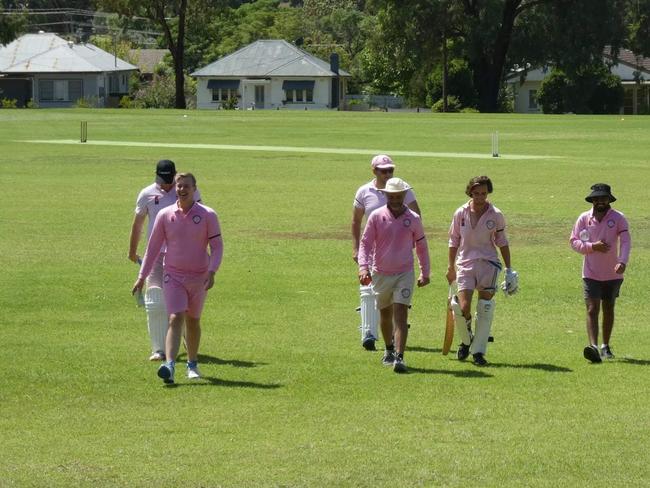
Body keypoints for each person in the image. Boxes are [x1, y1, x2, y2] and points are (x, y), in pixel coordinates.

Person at [132, 173, 223, 384]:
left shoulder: (208, 215)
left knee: (193, 320)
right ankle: (170, 365)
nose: (182, 190)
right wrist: (141, 276)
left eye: (186, 187)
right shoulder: (165, 214)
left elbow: (217, 247)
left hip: (199, 277)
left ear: (194, 189)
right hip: (172, 275)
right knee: (175, 317)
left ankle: (192, 364)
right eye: (179, 186)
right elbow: (153, 248)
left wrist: (212, 271)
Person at [128, 159, 201, 361]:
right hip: (156, 253)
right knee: (154, 300)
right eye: (164, 181)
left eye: (171, 181)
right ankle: (158, 349)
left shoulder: (186, 190)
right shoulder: (147, 194)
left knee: (184, 302)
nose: (168, 185)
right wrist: (132, 251)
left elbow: (200, 219)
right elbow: (138, 225)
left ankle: (188, 340)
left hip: (183, 254)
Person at [358, 177, 430, 373]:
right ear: (387, 196)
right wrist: (363, 267)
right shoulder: (376, 216)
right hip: (381, 272)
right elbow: (365, 243)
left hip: (404, 273)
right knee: (385, 313)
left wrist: (425, 272)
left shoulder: (414, 218)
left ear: (404, 196)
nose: (396, 200)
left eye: (399, 196)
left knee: (401, 313)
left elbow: (422, 246)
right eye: (392, 196)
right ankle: (389, 350)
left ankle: (399, 357)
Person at [351, 154, 421, 351]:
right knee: (368, 292)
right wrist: (356, 247)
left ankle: (391, 340)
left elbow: (417, 217)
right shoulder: (364, 191)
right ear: (374, 171)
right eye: (384, 170)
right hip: (372, 250)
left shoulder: (402, 188)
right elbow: (356, 221)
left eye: (391, 170)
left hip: (397, 255)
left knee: (393, 301)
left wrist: (411, 246)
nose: (388, 173)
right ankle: (368, 334)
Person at [446, 176, 517, 366]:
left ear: (488, 193)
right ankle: (466, 339)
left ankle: (478, 352)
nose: (480, 197)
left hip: (488, 264)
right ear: (470, 192)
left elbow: (502, 242)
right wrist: (450, 267)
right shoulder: (460, 213)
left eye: (484, 193)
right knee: (462, 308)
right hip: (465, 264)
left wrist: (510, 269)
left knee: (485, 308)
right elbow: (453, 240)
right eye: (476, 193)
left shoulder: (496, 214)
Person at [570, 183, 631, 363]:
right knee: (592, 308)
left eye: (603, 198)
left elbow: (626, 241)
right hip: (590, 272)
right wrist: (591, 246)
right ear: (592, 200)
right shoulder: (584, 218)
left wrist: (622, 261)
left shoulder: (619, 218)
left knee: (609, 307)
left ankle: (605, 346)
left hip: (613, 273)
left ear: (609, 199)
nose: (600, 202)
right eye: (597, 199)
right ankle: (593, 347)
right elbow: (573, 241)